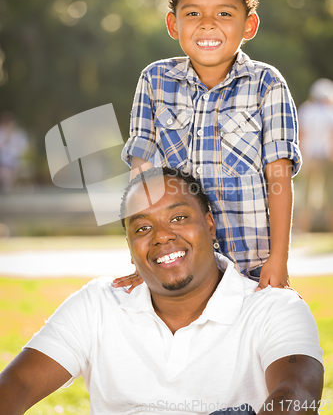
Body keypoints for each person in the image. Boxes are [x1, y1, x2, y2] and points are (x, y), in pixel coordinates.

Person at [0, 167, 324, 415]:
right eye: (143, 227)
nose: (162, 236)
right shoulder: (97, 303)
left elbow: (299, 394)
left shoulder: (274, 308)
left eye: (179, 217)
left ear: (209, 226)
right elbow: (18, 384)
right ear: (130, 248)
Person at [121, 0, 301, 291]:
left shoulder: (266, 84)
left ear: (249, 26)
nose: (207, 25)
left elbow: (279, 175)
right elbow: (141, 177)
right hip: (179, 265)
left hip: (251, 264)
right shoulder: (154, 80)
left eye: (224, 14)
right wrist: (140, 258)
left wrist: (278, 260)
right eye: (192, 14)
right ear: (173, 25)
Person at [296, 78, 333, 232]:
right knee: (329, 194)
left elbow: (301, 135)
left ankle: (302, 230)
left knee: (306, 194)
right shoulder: (330, 112)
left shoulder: (306, 109)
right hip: (326, 157)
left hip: (309, 156)